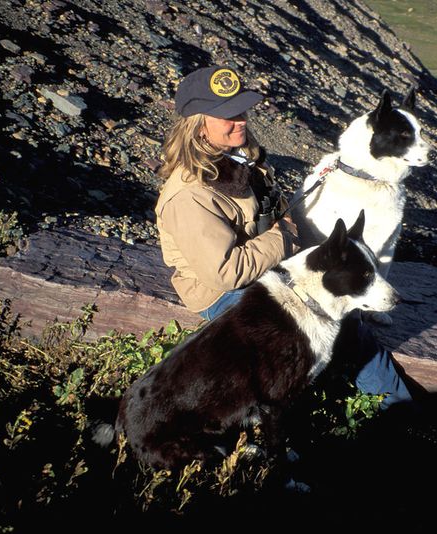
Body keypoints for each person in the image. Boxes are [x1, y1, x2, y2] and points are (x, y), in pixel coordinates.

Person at [154, 65, 411, 408]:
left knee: (344, 313)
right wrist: (283, 236)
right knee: (332, 325)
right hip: (220, 291)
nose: (241, 120)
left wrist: (282, 230)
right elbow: (225, 273)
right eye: (228, 116)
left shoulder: (240, 158)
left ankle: (397, 408)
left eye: (241, 110)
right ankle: (398, 410)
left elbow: (273, 211)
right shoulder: (190, 195)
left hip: (266, 269)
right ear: (198, 126)